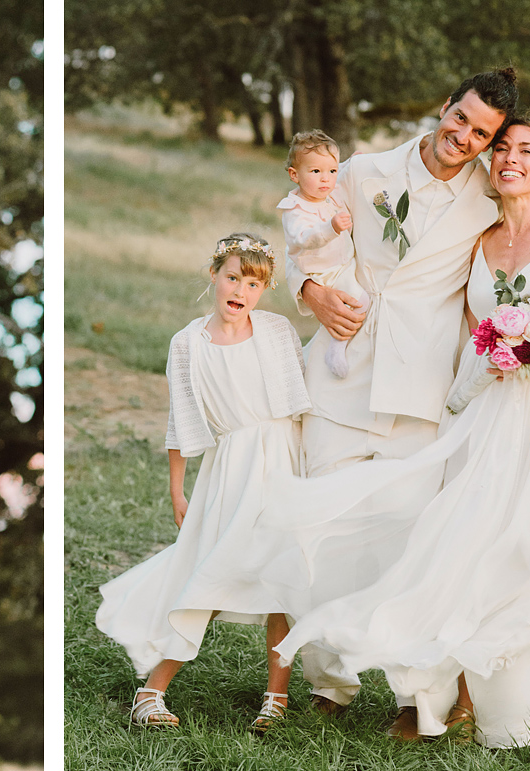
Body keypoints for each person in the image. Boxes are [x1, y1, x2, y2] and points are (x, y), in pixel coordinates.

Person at [270, 114, 530, 748]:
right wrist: (310, 289)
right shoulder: (474, 231)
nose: (505, 156)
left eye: (523, 150)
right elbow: (313, 229)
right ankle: (408, 691)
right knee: (462, 545)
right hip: (472, 411)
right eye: (500, 145)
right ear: (447, 113)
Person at [282, 68, 516, 735]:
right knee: (322, 530)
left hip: (420, 388)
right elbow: (303, 239)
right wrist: (312, 295)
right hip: (341, 370)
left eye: (482, 133)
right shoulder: (360, 171)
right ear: (443, 106)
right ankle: (330, 678)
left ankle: (421, 699)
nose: (464, 137)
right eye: (461, 118)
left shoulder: (488, 199)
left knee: (411, 543)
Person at [94, 234, 310, 733]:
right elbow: (181, 422)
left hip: (284, 460)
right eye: (233, 277)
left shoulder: (277, 331)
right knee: (211, 575)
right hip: (232, 467)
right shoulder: (189, 343)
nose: (241, 290)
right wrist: (177, 489)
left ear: (264, 289)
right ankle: (151, 691)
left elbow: (304, 401)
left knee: (284, 576)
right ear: (214, 275)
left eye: (253, 283)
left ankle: (275, 699)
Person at [277, 130, 362, 378]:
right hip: (323, 273)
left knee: (358, 303)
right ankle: (336, 348)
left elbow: (333, 165)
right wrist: (331, 227)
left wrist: (354, 163)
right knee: (359, 302)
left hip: (340, 265)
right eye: (315, 172)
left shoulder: (325, 194)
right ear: (295, 175)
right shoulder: (295, 209)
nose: (326, 179)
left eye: (332, 172)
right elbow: (304, 238)